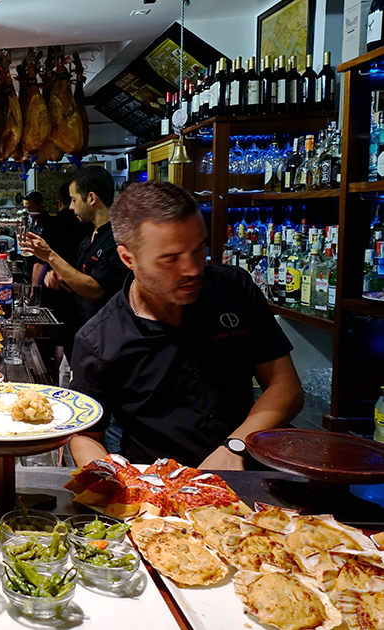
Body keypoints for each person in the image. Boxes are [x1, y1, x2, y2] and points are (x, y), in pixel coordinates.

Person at [68, 181, 304, 470]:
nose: (192, 269)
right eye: (170, 259)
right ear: (128, 258)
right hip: (158, 487)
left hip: (249, 470)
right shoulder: (99, 340)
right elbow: (85, 436)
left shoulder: (233, 288)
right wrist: (119, 486)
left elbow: (286, 387)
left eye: (198, 250)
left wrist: (235, 446)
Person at [20, 166, 127, 385]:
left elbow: (95, 290)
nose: (70, 207)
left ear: (91, 198)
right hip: (78, 336)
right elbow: (82, 283)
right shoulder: (88, 239)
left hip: (104, 345)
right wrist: (63, 281)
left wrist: (50, 256)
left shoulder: (117, 240)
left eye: (73, 200)